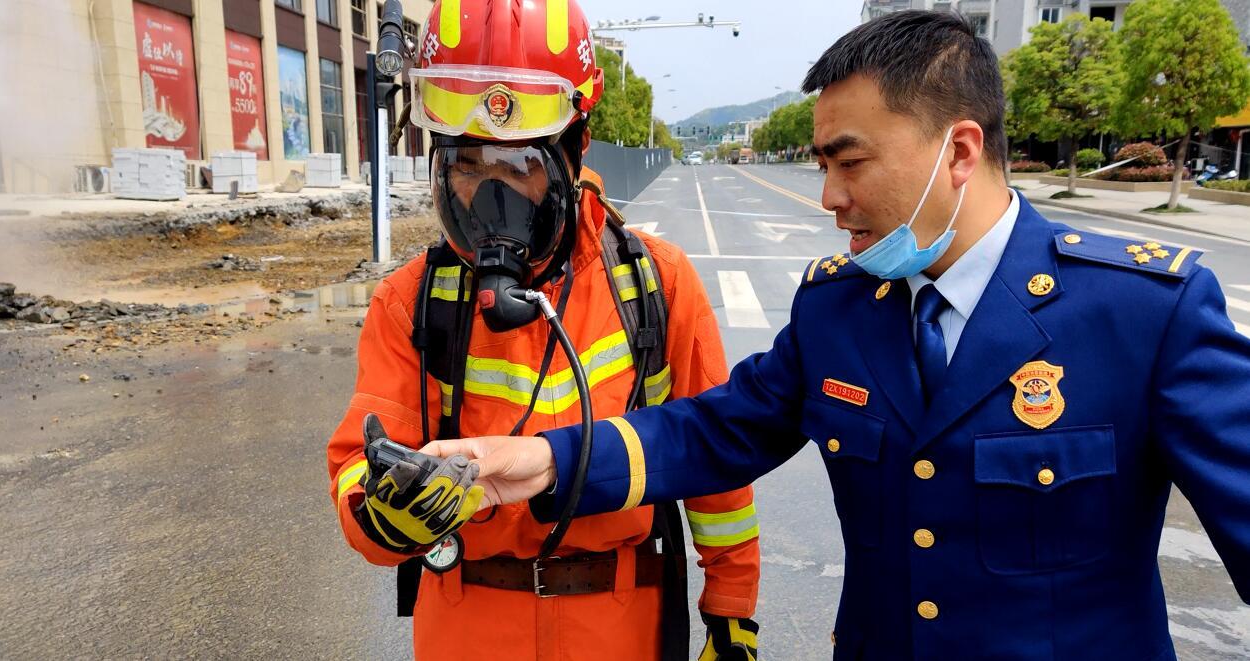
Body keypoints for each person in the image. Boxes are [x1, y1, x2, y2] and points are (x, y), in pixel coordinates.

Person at [425, 10, 1250, 660]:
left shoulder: (1145, 313)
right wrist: (544, 460)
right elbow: (717, 428)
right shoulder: (840, 309)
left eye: (848, 163)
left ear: (958, 150)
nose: (826, 195)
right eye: (819, 163)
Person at [325, 1, 762, 659]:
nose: (491, 191)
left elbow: (712, 457)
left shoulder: (655, 284)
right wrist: (382, 513)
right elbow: (358, 463)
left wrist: (730, 613)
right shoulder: (412, 301)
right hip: (467, 624)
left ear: (575, 147)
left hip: (618, 623)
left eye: (523, 162)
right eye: (468, 162)